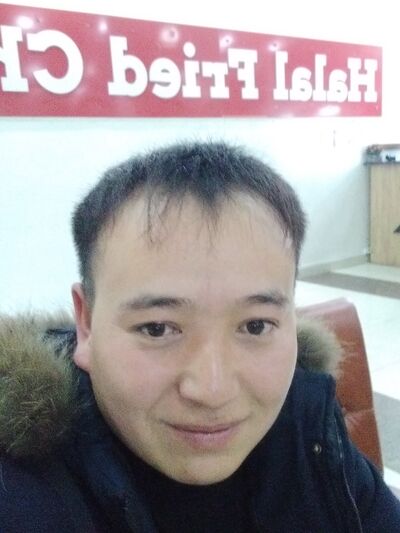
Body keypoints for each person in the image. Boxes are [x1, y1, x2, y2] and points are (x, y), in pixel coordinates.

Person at [0, 141, 399, 533]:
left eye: (255, 326)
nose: (212, 391)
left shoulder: (307, 427)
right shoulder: (22, 494)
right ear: (86, 323)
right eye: (157, 328)